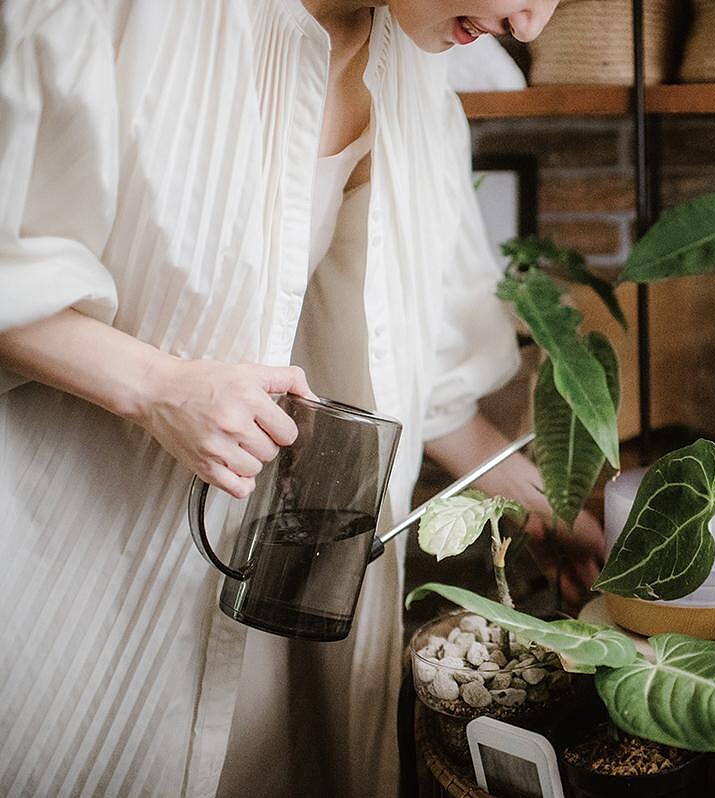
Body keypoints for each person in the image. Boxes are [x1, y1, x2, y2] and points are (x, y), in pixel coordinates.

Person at [0, 1, 605, 795]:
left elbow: (403, 365)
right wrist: (159, 386)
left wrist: (536, 503)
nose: (530, 25)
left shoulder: (416, 84)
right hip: (73, 562)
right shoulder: (113, 16)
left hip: (267, 606)